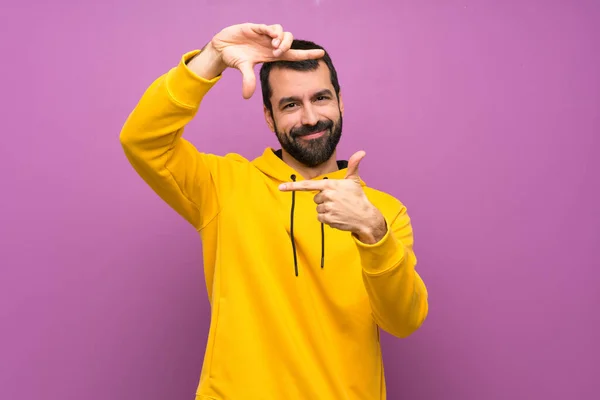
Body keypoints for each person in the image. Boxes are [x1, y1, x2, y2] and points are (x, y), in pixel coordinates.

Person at [120, 22, 428, 400]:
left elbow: (404, 321)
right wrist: (211, 59)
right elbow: (142, 141)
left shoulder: (384, 212)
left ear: (341, 101)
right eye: (291, 105)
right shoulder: (223, 186)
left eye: (321, 98)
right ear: (269, 117)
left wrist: (373, 232)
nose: (310, 118)